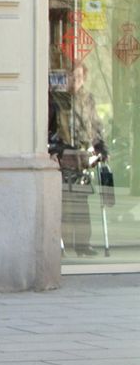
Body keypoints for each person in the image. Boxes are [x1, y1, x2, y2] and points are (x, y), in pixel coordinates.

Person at [48, 61, 107, 256]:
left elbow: (95, 123)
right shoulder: (56, 99)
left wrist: (100, 145)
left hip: (82, 155)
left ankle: (82, 244)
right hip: (63, 154)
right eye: (72, 77)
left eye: (79, 77)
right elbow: (50, 126)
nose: (76, 81)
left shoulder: (87, 98)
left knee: (82, 202)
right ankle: (61, 243)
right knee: (64, 201)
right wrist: (53, 147)